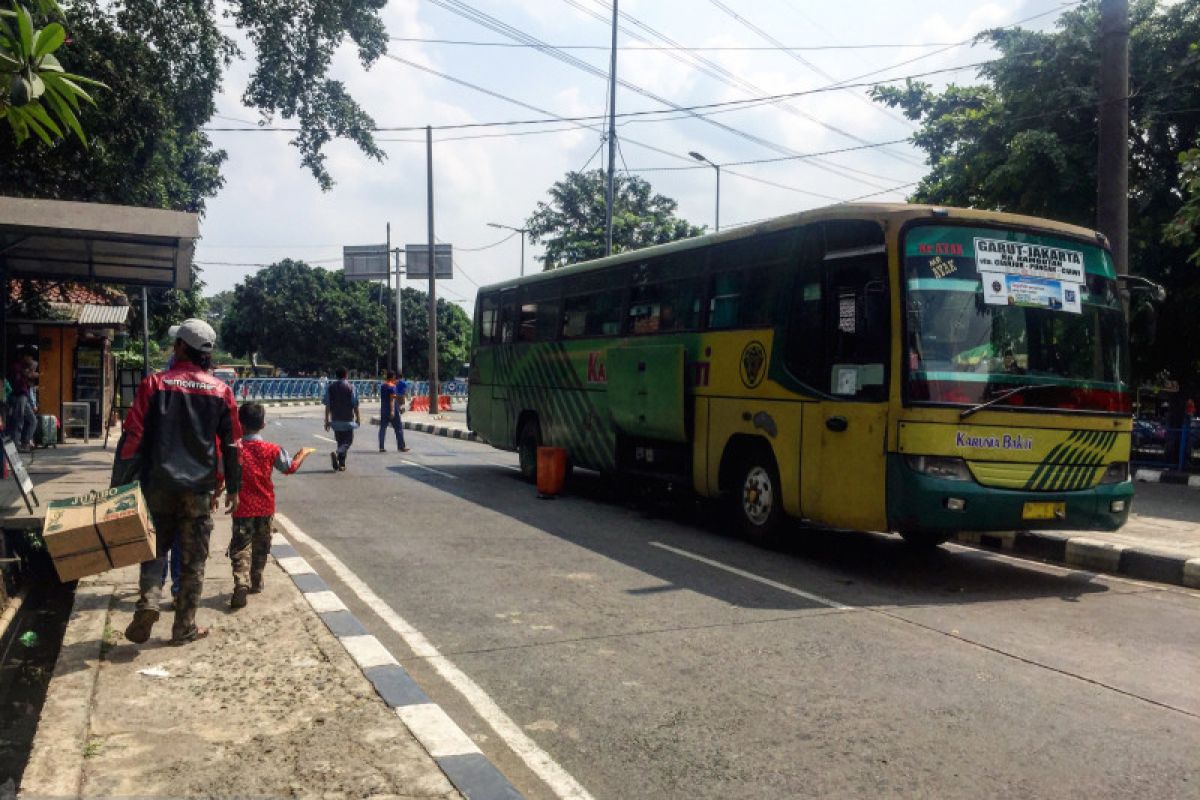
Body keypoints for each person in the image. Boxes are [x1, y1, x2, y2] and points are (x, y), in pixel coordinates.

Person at [113, 319, 241, 646]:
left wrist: (120, 485)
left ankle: (149, 602)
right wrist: (232, 487)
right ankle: (183, 627)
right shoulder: (221, 391)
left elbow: (133, 437)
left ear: (182, 347)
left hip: (157, 485)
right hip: (198, 489)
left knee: (154, 550)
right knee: (194, 560)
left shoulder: (153, 384)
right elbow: (231, 444)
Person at [225, 402, 312, 608]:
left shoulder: (234, 449)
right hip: (265, 506)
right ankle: (256, 580)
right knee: (261, 545)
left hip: (242, 507)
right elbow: (289, 468)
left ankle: (241, 581)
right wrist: (302, 454)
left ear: (240, 424)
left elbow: (223, 473)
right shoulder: (271, 449)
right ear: (263, 424)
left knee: (240, 546)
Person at [323, 366, 360, 472]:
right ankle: (338, 453)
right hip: (347, 419)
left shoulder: (330, 387)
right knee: (348, 441)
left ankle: (341, 464)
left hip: (335, 419)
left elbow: (327, 405)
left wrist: (327, 421)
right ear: (346, 375)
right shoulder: (351, 387)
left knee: (340, 441)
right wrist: (358, 418)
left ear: (336, 375)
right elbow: (355, 405)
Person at [7, 350, 38, 451]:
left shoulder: (24, 368)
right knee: (18, 420)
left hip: (24, 395)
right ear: (25, 356)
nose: (31, 360)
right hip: (18, 395)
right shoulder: (17, 367)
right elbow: (18, 381)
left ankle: (25, 442)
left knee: (33, 420)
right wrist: (29, 373)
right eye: (30, 357)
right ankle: (16, 444)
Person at [378, 370, 410, 453]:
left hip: (383, 409)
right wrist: (392, 411)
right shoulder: (392, 386)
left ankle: (381, 447)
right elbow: (392, 399)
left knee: (383, 428)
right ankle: (401, 446)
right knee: (398, 428)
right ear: (392, 377)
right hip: (392, 409)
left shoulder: (383, 385)